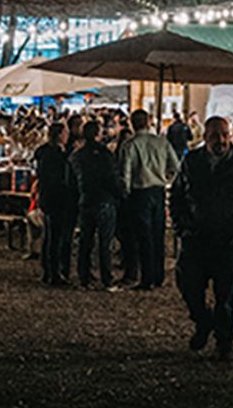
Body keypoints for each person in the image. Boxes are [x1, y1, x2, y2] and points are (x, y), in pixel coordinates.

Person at [170, 116, 233, 358]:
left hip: (229, 239)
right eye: (214, 136)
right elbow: (177, 196)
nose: (220, 140)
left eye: (224, 135)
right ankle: (203, 320)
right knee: (188, 285)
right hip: (196, 237)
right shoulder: (192, 162)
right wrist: (183, 227)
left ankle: (224, 339)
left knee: (225, 295)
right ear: (205, 137)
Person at [118, 109, 180, 292]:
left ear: (132, 124)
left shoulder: (129, 145)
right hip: (158, 191)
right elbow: (175, 166)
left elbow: (125, 172)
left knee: (143, 236)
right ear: (148, 123)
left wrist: (126, 191)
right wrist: (165, 178)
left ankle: (146, 278)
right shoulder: (161, 142)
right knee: (158, 234)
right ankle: (158, 275)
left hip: (139, 192)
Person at [71, 120, 125, 289]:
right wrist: (119, 195)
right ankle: (106, 279)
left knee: (85, 241)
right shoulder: (104, 155)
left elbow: (72, 179)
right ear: (97, 134)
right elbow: (112, 178)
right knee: (105, 242)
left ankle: (84, 277)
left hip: (86, 200)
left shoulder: (77, 156)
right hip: (105, 200)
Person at [34, 122, 78, 287]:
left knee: (49, 236)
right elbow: (60, 179)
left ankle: (48, 271)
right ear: (60, 135)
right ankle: (55, 273)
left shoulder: (44, 153)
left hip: (47, 198)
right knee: (57, 237)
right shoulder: (56, 155)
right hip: (58, 199)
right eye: (65, 132)